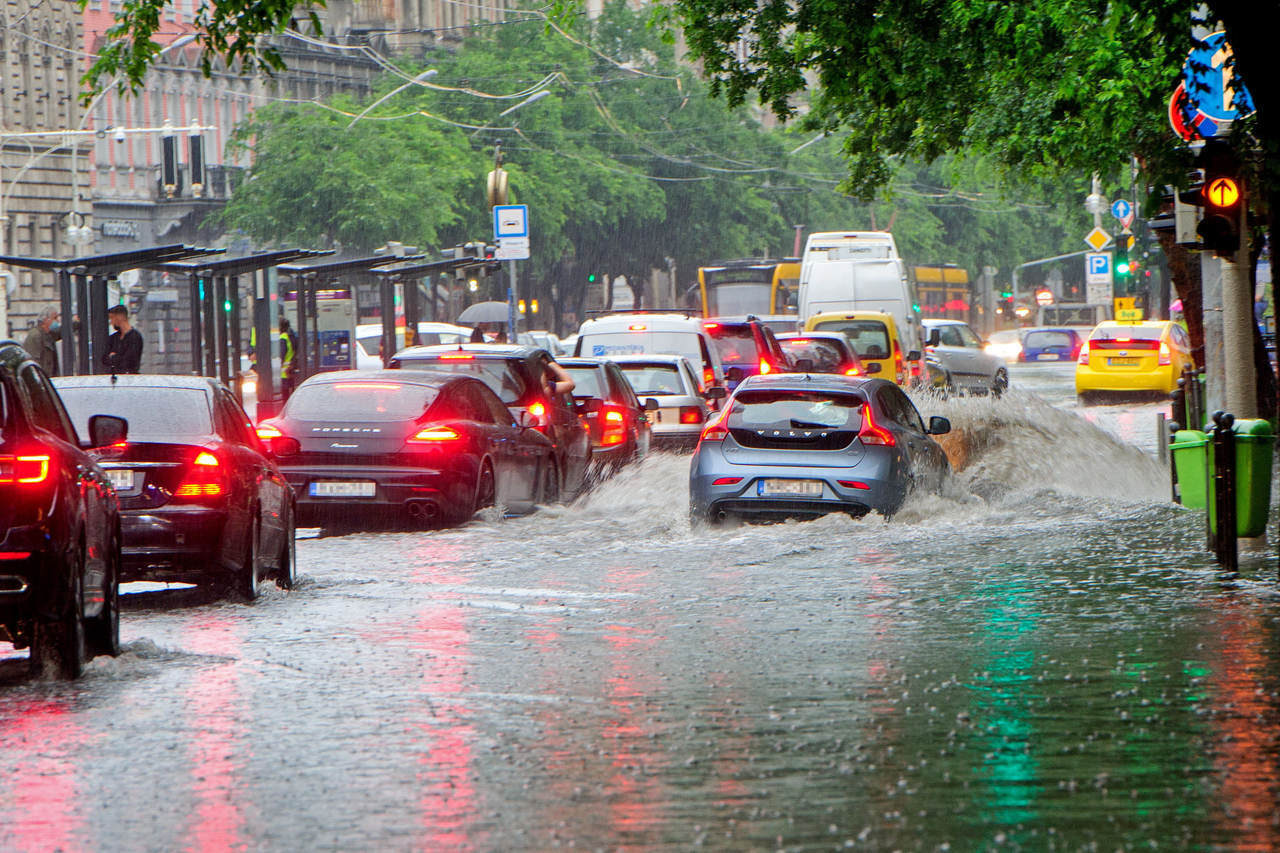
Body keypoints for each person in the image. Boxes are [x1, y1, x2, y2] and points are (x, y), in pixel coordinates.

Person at [103, 304, 143, 374]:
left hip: (130, 377)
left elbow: (130, 360)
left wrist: (113, 357)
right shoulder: (113, 338)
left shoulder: (135, 337)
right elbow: (104, 359)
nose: (111, 322)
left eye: (112, 318)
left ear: (119, 317)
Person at [23, 305, 61, 376]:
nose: (57, 320)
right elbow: (32, 363)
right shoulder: (35, 336)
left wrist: (74, 324)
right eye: (55, 318)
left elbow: (62, 333)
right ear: (46, 320)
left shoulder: (48, 334)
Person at [279, 316, 298, 400]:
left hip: (283, 373)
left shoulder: (282, 338)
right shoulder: (290, 337)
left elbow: (281, 355)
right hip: (289, 371)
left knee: (285, 397)